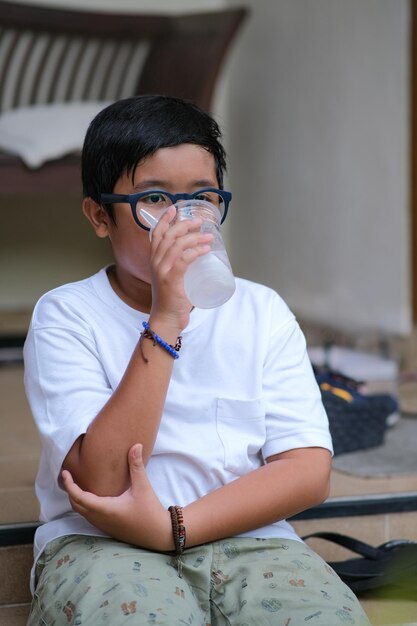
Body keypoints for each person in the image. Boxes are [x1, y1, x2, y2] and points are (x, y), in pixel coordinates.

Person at [24, 95, 371, 625]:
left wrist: (174, 527)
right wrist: (165, 319)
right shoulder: (67, 316)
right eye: (155, 199)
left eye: (202, 197)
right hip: (101, 543)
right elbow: (104, 480)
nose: (184, 221)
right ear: (100, 216)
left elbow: (307, 471)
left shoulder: (261, 311)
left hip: (252, 539)